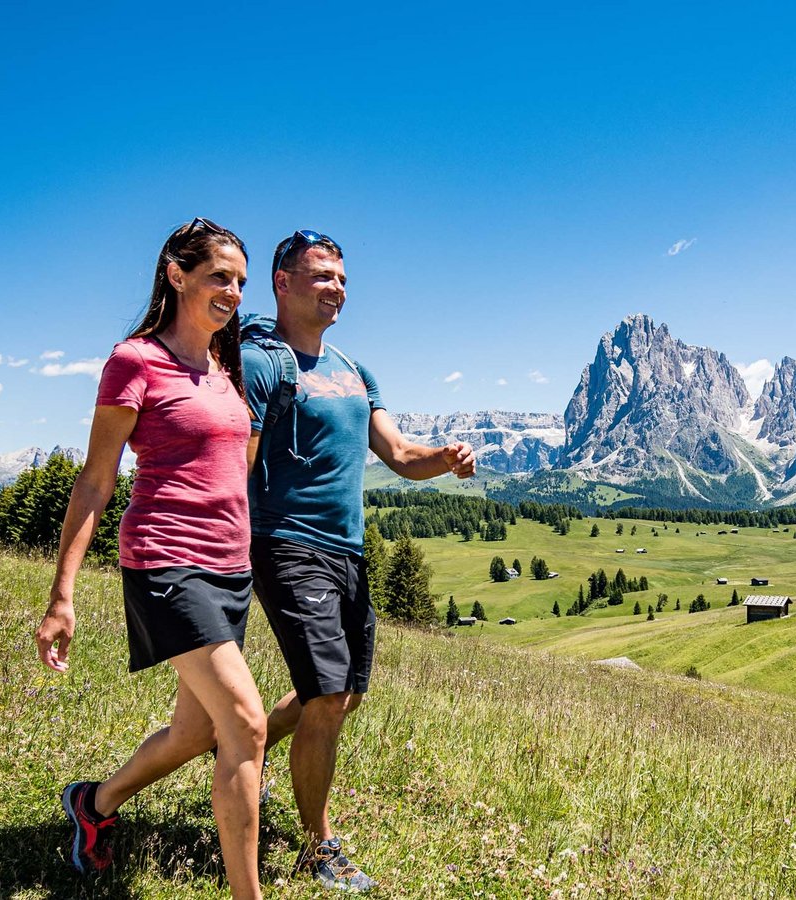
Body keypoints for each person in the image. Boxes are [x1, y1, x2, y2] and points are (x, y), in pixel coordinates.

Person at [35, 218, 266, 900]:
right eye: (219, 276)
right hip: (166, 562)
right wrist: (62, 596)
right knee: (246, 724)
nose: (232, 292)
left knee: (197, 732)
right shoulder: (135, 359)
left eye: (241, 282)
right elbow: (96, 480)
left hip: (230, 570)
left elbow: (235, 467)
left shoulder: (228, 370)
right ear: (176, 273)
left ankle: (93, 806)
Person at [242, 229, 475, 891]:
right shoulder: (263, 363)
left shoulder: (354, 369)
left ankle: (246, 744)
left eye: (341, 278)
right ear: (282, 283)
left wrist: (447, 459)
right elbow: (239, 462)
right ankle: (317, 847)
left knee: (344, 700)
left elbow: (400, 456)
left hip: (347, 550)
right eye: (320, 276)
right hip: (285, 543)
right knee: (328, 695)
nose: (335, 288)